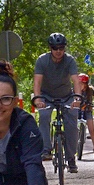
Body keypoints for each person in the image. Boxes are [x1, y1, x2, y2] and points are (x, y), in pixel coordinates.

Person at [32, 32, 81, 173]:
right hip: (46, 96)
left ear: (64, 48)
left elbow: (76, 80)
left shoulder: (69, 60)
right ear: (50, 48)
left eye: (61, 48)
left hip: (66, 96)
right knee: (44, 116)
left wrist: (77, 98)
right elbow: (37, 81)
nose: (58, 51)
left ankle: (71, 157)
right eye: (55, 48)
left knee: (72, 121)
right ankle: (46, 149)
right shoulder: (42, 60)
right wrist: (38, 98)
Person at [78, 73, 94, 159]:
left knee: (91, 130)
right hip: (78, 110)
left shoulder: (90, 90)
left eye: (83, 83)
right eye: (80, 83)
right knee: (72, 127)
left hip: (88, 110)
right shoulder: (75, 90)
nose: (81, 85)